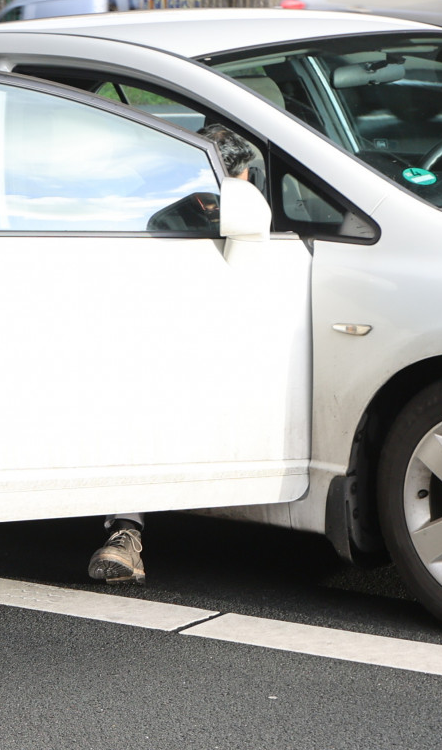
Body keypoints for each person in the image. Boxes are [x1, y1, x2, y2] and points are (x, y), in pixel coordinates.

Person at [89, 122, 261, 585]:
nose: (245, 188)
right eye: (239, 178)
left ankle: (127, 533)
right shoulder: (165, 224)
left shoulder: (246, 217)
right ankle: (126, 535)